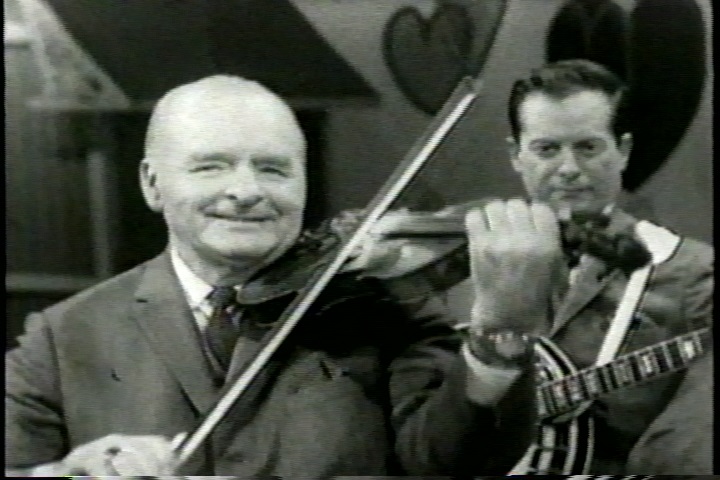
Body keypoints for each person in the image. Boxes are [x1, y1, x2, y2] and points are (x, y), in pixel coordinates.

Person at [6, 75, 555, 476]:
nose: (247, 191)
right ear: (152, 184)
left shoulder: (386, 309)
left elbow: (456, 462)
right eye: (211, 166)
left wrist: (499, 340)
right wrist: (68, 472)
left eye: (273, 169)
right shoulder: (63, 336)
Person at [500, 59, 713, 474]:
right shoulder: (459, 266)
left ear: (623, 151)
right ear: (516, 155)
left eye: (587, 147)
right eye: (547, 149)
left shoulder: (691, 271)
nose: (568, 169)